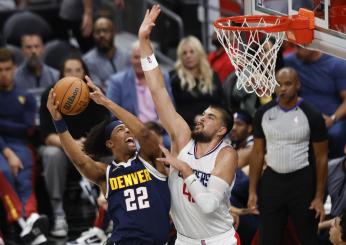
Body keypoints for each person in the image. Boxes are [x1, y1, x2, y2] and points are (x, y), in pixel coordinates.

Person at [138, 5, 239, 244]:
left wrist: (184, 169)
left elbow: (208, 204)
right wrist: (144, 41)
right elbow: (158, 90)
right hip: (185, 240)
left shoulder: (226, 155)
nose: (201, 118)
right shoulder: (182, 137)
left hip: (218, 240)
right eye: (203, 114)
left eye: (210, 117)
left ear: (222, 130)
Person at [46, 75, 171, 244]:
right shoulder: (106, 173)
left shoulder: (151, 161)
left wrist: (106, 102)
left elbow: (143, 133)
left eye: (128, 129)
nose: (128, 131)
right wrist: (58, 121)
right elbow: (80, 161)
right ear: (110, 143)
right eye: (121, 129)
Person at [248, 67, 328, 245]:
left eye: (288, 84)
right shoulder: (263, 113)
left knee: (308, 238)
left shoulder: (312, 115)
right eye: (279, 84)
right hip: (272, 181)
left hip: (302, 181)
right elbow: (257, 152)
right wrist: (252, 191)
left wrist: (319, 196)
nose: (283, 88)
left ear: (298, 85)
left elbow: (321, 157)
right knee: (268, 239)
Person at [39, 55, 109, 237]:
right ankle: (58, 212)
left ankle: (107, 210)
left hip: (91, 146)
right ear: (61, 74)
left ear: (85, 72)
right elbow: (46, 136)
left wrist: (88, 143)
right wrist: (72, 144)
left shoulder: (95, 92)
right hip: (64, 149)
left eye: (78, 70)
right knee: (51, 154)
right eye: (69, 70)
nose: (74, 74)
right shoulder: (50, 94)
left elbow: (105, 127)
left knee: (114, 151)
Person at [0, 48, 48, 245]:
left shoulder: (25, 96)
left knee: (24, 175)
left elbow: (27, 128)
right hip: (2, 146)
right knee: (3, 172)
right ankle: (20, 223)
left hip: (21, 143)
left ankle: (31, 219)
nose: (3, 74)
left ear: (14, 69)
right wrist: (8, 152)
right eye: (0, 69)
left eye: (7, 69)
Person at [284, 46, 346, 159]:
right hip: (301, 116)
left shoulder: (337, 64)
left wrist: (332, 119)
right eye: (294, 47)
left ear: (312, 45)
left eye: (299, 47)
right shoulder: (290, 61)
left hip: (331, 117)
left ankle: (338, 171)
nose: (295, 51)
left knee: (335, 135)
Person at [106, 40, 173, 123]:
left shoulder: (162, 77)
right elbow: (113, 114)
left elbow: (170, 109)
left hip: (160, 130)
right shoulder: (117, 81)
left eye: (144, 57)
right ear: (131, 59)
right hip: (132, 131)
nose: (140, 61)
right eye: (136, 57)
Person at [169, 35, 225, 128]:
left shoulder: (212, 75)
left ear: (199, 53)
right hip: (186, 126)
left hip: (213, 125)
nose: (188, 56)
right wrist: (194, 118)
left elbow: (222, 103)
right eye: (184, 53)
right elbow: (173, 108)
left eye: (192, 52)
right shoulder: (174, 78)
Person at [83, 17, 131, 89]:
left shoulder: (127, 55)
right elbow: (97, 88)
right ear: (93, 34)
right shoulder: (88, 60)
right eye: (98, 32)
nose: (101, 35)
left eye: (105, 31)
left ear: (113, 32)